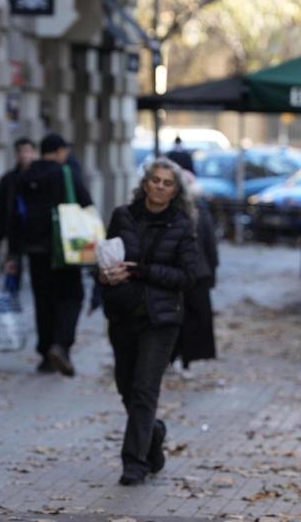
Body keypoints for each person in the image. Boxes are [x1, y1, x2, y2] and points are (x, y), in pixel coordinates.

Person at [92, 157, 209, 485]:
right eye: (155, 180)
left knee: (145, 389)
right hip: (123, 315)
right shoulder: (123, 216)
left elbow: (187, 276)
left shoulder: (183, 224)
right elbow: (106, 257)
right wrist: (105, 275)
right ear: (145, 183)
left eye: (166, 183)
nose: (159, 186)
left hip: (161, 320)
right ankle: (153, 434)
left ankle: (134, 462)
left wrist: (143, 271)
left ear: (175, 191)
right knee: (127, 389)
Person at [8, 133, 92, 376]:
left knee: (43, 300)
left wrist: (13, 254)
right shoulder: (65, 173)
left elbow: (15, 215)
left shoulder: (25, 176)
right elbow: (86, 205)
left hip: (35, 250)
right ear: (58, 152)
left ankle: (45, 354)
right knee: (71, 296)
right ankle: (61, 345)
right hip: (64, 249)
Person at [172, 172, 219, 375]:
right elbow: (210, 244)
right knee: (193, 318)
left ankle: (176, 358)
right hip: (198, 273)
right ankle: (185, 360)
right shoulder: (199, 209)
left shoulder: (173, 211)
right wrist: (212, 270)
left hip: (178, 273)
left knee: (178, 317)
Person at [0, 137, 37, 290]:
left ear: (34, 153)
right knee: (12, 266)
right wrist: (0, 232)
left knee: (37, 269)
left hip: (36, 231)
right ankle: (11, 295)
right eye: (20, 152)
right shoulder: (9, 179)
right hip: (14, 230)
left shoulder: (40, 176)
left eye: (27, 151)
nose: (24, 155)